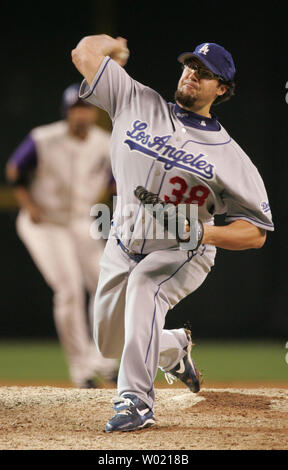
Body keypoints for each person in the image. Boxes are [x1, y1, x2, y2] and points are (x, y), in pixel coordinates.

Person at [71, 36, 274, 431]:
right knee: (109, 344)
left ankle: (136, 402)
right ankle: (173, 348)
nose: (192, 75)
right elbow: (83, 53)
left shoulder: (231, 158)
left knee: (145, 287)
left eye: (204, 73)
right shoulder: (135, 100)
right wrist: (114, 45)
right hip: (123, 242)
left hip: (182, 251)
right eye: (190, 66)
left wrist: (203, 234)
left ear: (222, 89)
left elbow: (256, 233)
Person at [5, 84, 118, 388]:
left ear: (93, 112)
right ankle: (81, 370)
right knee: (68, 289)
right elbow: (15, 170)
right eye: (75, 108)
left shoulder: (104, 143)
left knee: (107, 282)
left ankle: (103, 361)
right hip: (45, 224)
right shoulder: (44, 138)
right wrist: (28, 204)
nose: (81, 113)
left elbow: (114, 181)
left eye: (86, 108)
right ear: (67, 112)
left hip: (80, 223)